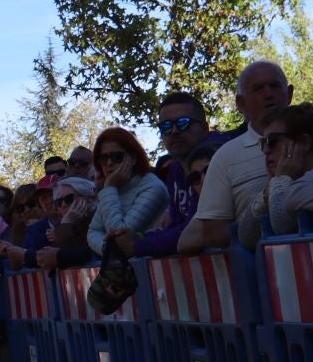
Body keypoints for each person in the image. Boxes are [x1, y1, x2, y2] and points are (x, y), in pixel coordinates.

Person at [179, 61, 292, 251]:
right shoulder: (224, 158)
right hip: (259, 274)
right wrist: (256, 222)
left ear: (289, 94)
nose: (268, 94)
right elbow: (212, 233)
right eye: (258, 89)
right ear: (240, 103)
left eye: (274, 86)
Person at [140, 92, 227, 256]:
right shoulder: (175, 169)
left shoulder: (216, 157)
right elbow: (176, 224)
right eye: (165, 126)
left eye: (183, 123)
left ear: (204, 128)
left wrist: (137, 245)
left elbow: (194, 229)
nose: (174, 131)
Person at [252, 103, 313, 238]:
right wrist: (270, 189)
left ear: (304, 142)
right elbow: (246, 234)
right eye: (263, 143)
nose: (265, 150)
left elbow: (283, 226)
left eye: (272, 140)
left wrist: (281, 180)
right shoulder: (281, 184)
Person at [88, 126, 169, 255]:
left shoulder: (153, 188)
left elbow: (121, 237)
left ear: (133, 158)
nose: (109, 163)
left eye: (116, 157)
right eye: (103, 158)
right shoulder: (113, 188)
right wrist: (107, 249)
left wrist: (109, 188)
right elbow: (93, 231)